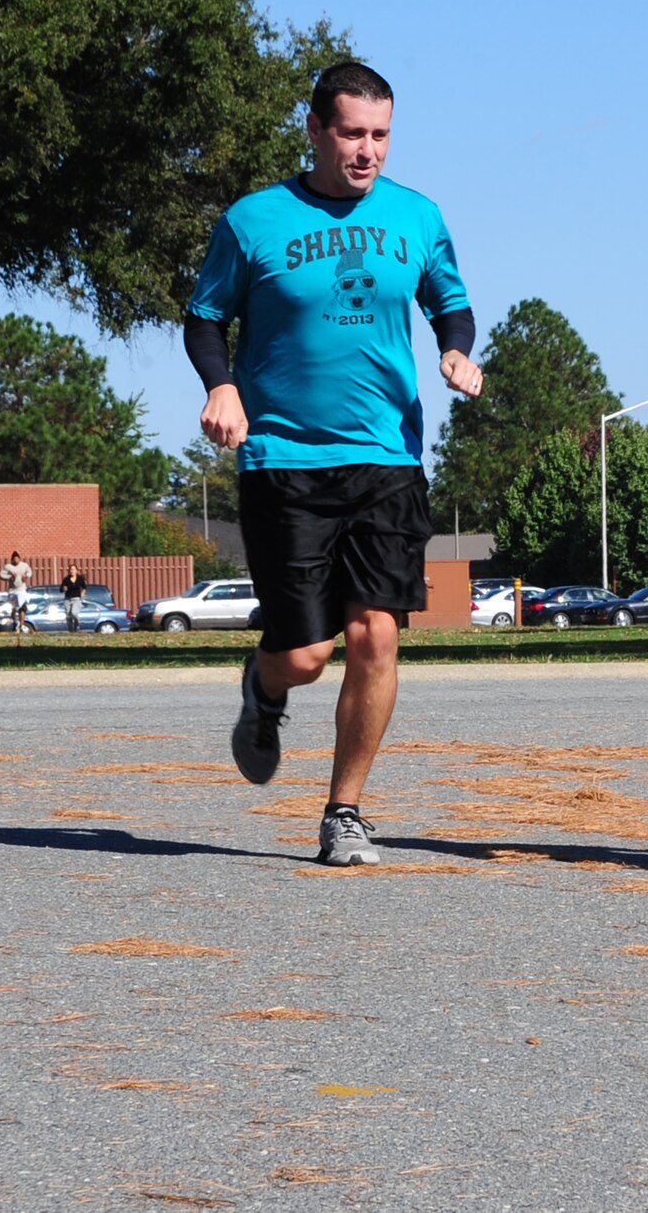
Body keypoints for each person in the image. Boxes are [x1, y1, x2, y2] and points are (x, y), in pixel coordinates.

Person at [181, 61, 482, 867]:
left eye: (381, 135)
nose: (367, 151)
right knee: (307, 653)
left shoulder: (416, 217)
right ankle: (265, 685)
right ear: (315, 128)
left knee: (375, 636)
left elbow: (450, 301)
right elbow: (205, 317)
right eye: (352, 132)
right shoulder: (254, 221)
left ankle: (345, 810)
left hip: (386, 456)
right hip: (282, 458)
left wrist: (455, 352)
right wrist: (223, 387)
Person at [0, 550, 33, 628]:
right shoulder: (8, 567)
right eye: (14, 559)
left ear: (19, 559)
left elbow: (29, 572)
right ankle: (14, 621)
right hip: (12, 590)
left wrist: (26, 576)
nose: (16, 560)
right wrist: (10, 576)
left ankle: (22, 624)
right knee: (13, 607)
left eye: (17, 558)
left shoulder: (24, 565)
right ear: (12, 559)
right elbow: (1, 575)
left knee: (22, 607)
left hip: (21, 590)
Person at [61, 565, 87, 633]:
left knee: (74, 613)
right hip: (67, 599)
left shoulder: (79, 579)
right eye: (71, 569)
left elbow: (84, 587)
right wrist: (64, 588)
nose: (72, 571)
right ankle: (71, 630)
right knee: (68, 615)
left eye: (73, 569)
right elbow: (61, 589)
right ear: (69, 571)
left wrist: (83, 592)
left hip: (76, 599)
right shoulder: (66, 579)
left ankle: (77, 623)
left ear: (76, 571)